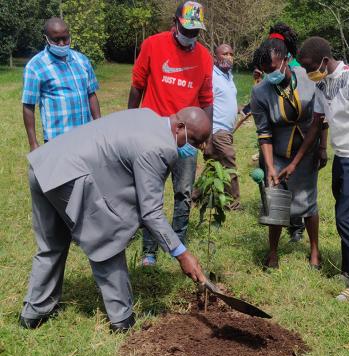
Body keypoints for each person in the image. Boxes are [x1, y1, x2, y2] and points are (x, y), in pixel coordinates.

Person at [19, 107, 210, 332]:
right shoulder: (160, 147)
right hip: (70, 177)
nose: (194, 148)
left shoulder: (148, 115)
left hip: (45, 165)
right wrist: (182, 254)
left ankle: (33, 314)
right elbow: (151, 212)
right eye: (194, 141)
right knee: (107, 240)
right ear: (179, 127)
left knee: (51, 246)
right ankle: (122, 320)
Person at [279, 37, 349, 301]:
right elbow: (316, 125)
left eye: (309, 66)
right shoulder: (322, 83)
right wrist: (294, 163)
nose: (306, 71)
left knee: (346, 218)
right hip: (341, 157)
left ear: (324, 61)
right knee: (342, 213)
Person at [127, 1, 213, 267]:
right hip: (153, 135)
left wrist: (205, 136)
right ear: (174, 23)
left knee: (183, 195)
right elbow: (137, 86)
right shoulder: (153, 45)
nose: (190, 36)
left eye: (195, 32)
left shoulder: (205, 57)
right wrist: (131, 122)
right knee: (150, 194)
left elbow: (206, 100)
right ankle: (149, 252)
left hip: (185, 140)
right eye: (186, 30)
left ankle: (179, 248)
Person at [251, 23, 325, 270]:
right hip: (278, 152)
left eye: (272, 68)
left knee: (308, 200)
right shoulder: (260, 92)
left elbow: (320, 119)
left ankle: (314, 250)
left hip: (307, 149)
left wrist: (322, 149)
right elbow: (264, 133)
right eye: (264, 70)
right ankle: (273, 253)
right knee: (275, 201)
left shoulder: (308, 79)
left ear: (285, 60)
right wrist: (270, 166)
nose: (268, 73)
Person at [22, 18, 100, 152]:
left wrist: (100, 125)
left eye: (65, 38)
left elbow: (91, 94)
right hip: (57, 141)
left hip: (86, 136)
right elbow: (28, 106)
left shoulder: (82, 60)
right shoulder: (35, 67)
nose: (62, 43)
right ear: (46, 38)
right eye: (56, 40)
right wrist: (33, 143)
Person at [202, 44, 241, 209]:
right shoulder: (211, 76)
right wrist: (207, 135)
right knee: (229, 161)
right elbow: (206, 104)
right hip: (217, 130)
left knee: (213, 166)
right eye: (225, 54)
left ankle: (195, 197)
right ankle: (234, 203)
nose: (229, 57)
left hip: (227, 131)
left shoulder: (228, 76)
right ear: (215, 57)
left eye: (231, 54)